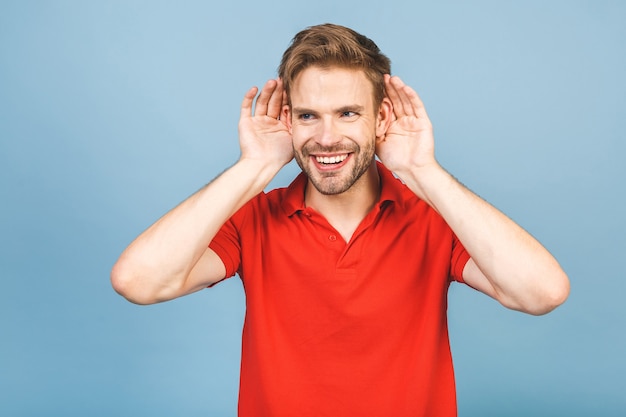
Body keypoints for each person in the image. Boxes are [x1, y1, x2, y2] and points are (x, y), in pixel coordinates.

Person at [111, 23, 570, 416]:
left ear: (380, 118)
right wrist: (253, 168)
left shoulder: (434, 218)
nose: (327, 138)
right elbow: (139, 282)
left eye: (348, 113)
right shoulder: (253, 220)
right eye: (309, 116)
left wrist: (421, 170)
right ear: (289, 120)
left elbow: (541, 293)